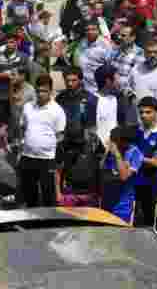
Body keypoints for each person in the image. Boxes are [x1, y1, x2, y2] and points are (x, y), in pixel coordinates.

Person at [18, 75, 66, 208]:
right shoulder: (28, 107)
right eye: (38, 91)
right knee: (29, 194)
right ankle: (31, 222)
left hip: (47, 159)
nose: (40, 94)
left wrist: (54, 157)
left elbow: (60, 136)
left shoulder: (57, 110)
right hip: (27, 157)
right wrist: (22, 145)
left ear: (51, 91)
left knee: (48, 195)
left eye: (44, 91)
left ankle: (50, 223)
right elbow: (22, 128)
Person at [133, 97, 157, 227]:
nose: (143, 115)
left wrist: (136, 157)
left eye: (148, 112)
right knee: (134, 219)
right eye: (141, 112)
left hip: (152, 183)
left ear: (156, 112)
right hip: (135, 180)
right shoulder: (137, 131)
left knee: (149, 221)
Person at [100, 125, 144, 224]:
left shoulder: (135, 153)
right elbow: (101, 169)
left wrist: (117, 155)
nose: (112, 143)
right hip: (107, 202)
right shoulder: (110, 151)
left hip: (123, 205)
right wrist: (106, 152)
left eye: (115, 141)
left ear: (124, 142)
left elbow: (124, 176)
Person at [75, 20, 113, 95]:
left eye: (93, 29)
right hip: (84, 87)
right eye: (87, 30)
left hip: (97, 89)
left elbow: (109, 67)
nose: (90, 32)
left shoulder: (105, 45)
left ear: (98, 31)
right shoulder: (82, 43)